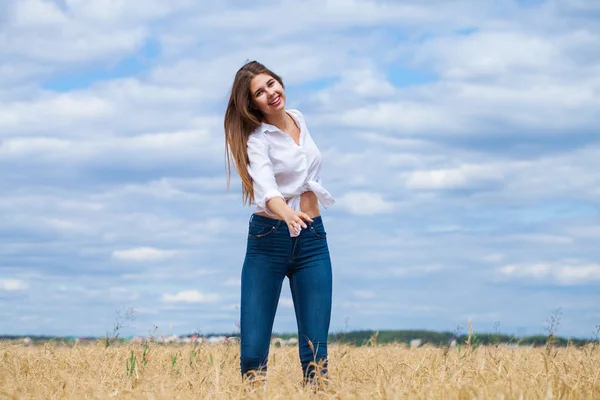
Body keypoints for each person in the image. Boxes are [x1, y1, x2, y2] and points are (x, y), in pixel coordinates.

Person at [224, 60, 335, 385]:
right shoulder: (257, 140)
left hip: (312, 239)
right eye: (260, 92)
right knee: (252, 354)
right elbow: (266, 188)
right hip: (268, 240)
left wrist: (300, 216)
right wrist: (286, 213)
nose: (271, 93)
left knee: (316, 354)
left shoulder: (299, 117)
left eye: (272, 83)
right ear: (252, 104)